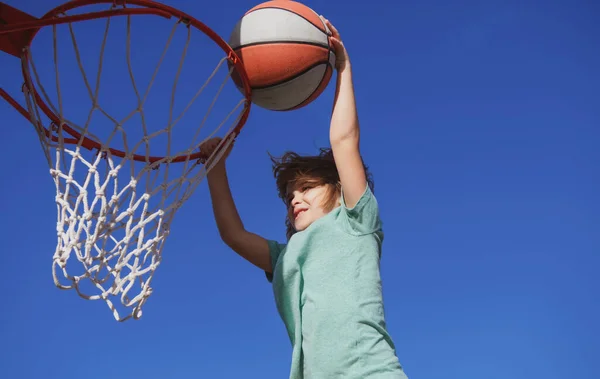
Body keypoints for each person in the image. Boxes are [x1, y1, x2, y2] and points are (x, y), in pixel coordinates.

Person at [200, 18, 408, 379]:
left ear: (339, 191)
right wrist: (215, 168)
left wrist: (343, 68)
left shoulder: (356, 222)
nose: (295, 198)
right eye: (289, 195)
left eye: (307, 188)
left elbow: (344, 141)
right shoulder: (284, 258)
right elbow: (233, 235)